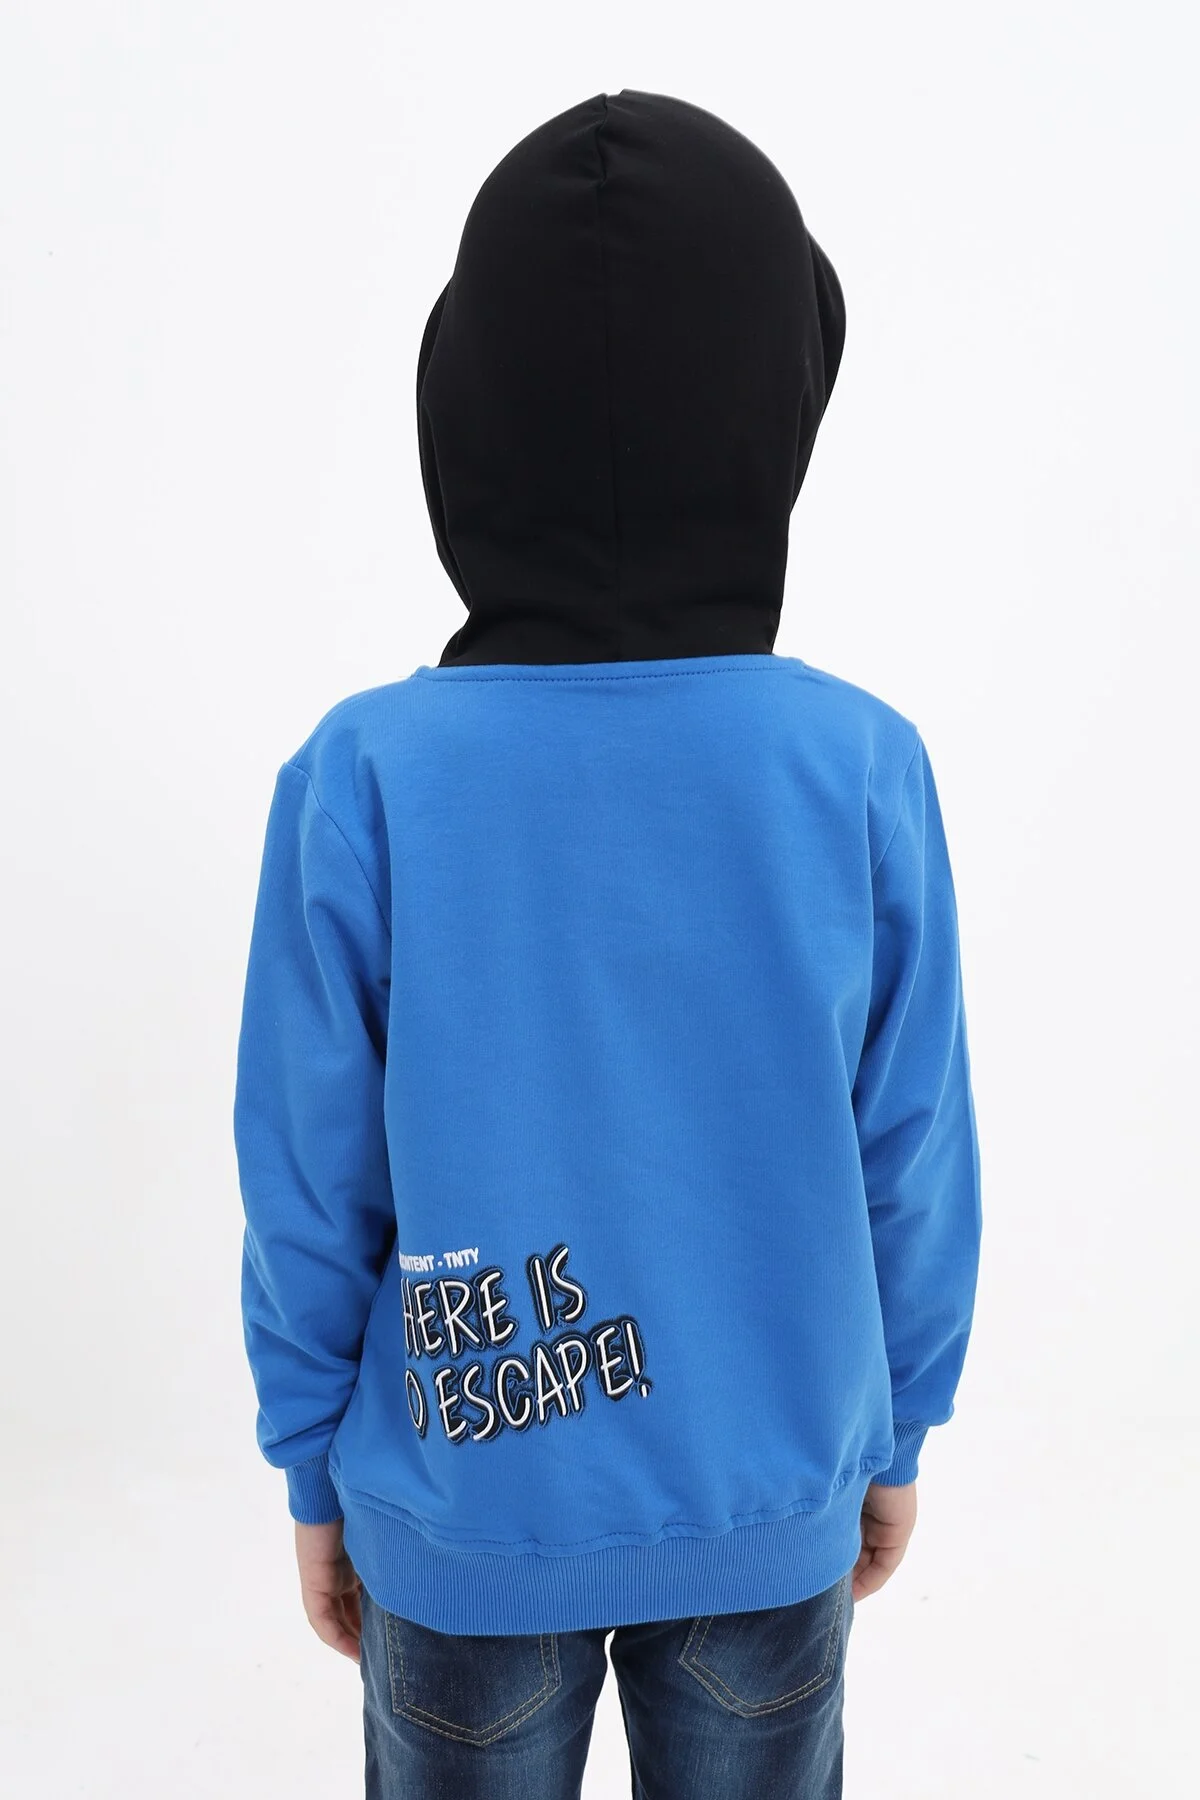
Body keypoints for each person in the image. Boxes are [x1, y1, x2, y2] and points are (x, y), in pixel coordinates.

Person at [233, 87, 983, 1800]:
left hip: (465, 1495)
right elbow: (913, 1151)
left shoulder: (367, 775)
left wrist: (311, 1463)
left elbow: (306, 1175)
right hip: (768, 1485)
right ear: (779, 408)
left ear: (463, 414)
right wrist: (892, 1429)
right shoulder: (856, 767)